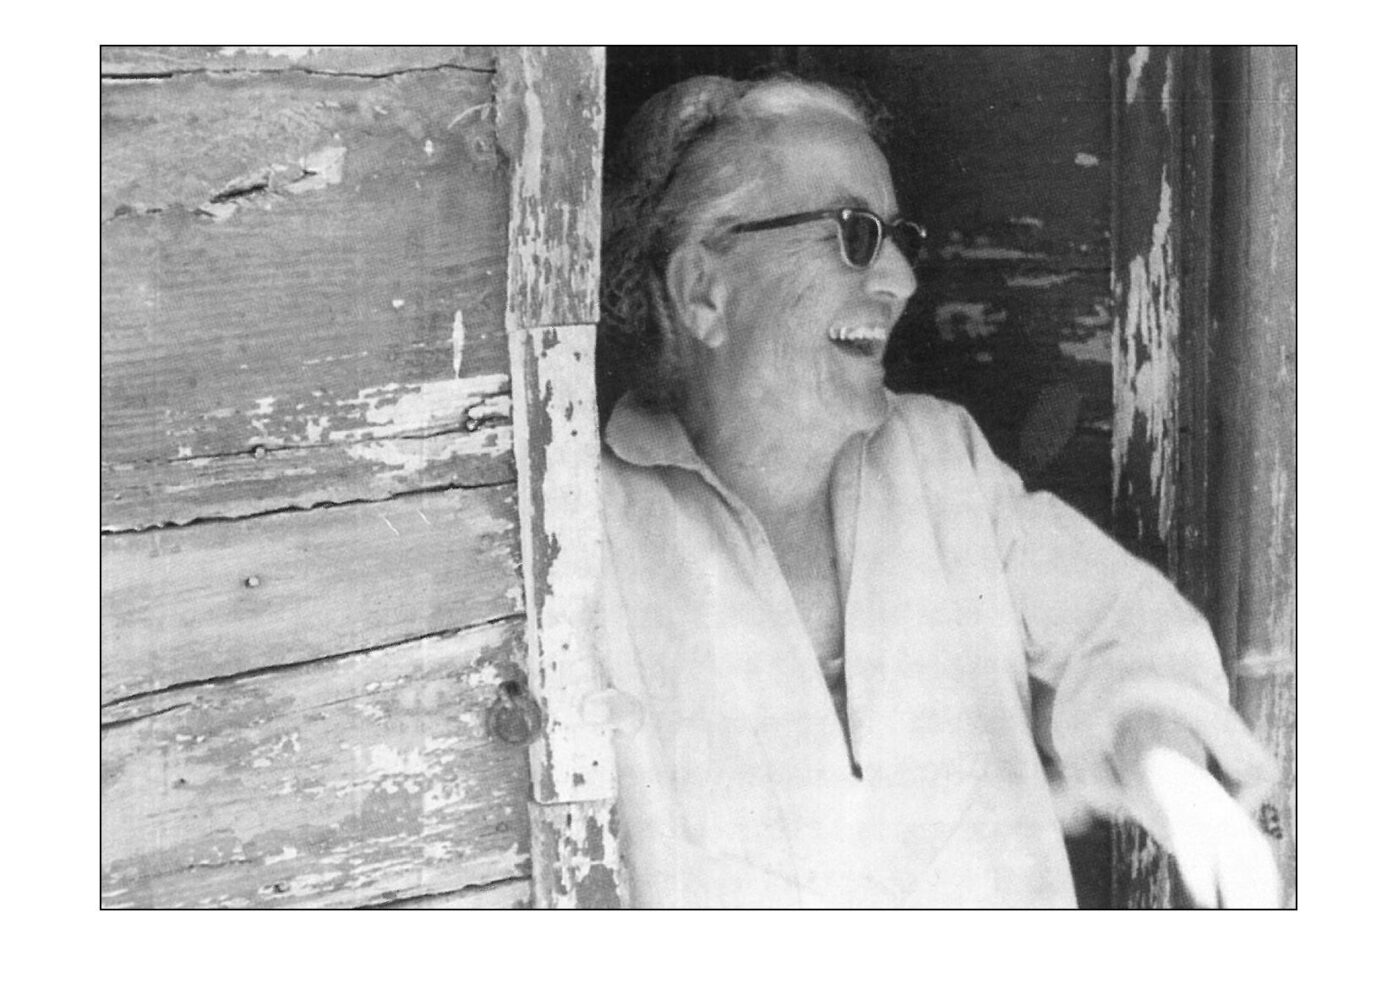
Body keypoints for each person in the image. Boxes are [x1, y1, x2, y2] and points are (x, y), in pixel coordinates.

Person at [594, 74, 1279, 907]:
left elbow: (1118, 627)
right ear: (704, 290)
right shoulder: (592, 530)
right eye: (853, 234)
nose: (901, 279)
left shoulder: (939, 458)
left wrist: (1167, 765)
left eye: (896, 238)